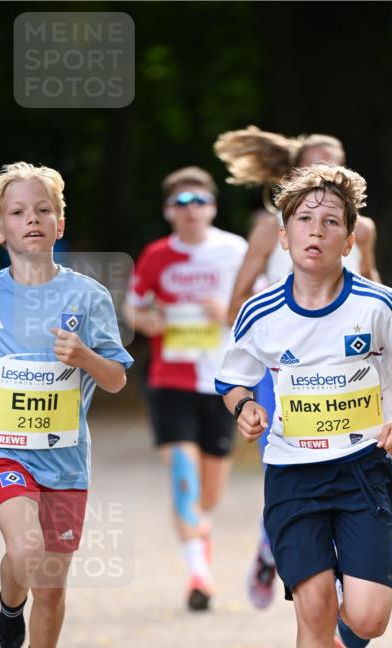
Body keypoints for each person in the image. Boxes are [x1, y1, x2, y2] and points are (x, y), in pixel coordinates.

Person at [215, 164, 392, 648]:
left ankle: (348, 628)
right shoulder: (261, 312)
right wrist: (245, 407)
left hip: (363, 470)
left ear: (350, 238)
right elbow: (231, 378)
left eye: (331, 222)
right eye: (304, 220)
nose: (316, 231)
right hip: (292, 475)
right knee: (312, 604)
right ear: (284, 235)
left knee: (367, 618)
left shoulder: (379, 306)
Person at [0, 162, 133, 648]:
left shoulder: (87, 296)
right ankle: (6, 622)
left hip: (65, 463)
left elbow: (117, 379)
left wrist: (85, 356)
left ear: (60, 222)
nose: (32, 220)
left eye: (43, 210)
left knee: (50, 585)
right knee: (26, 550)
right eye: (18, 212)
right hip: (1, 452)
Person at [214, 127, 380, 608]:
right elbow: (235, 304)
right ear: (293, 175)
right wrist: (277, 326)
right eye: (313, 165)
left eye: (334, 164)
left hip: (347, 367)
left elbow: (377, 290)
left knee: (351, 466)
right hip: (285, 372)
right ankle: (276, 548)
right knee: (293, 464)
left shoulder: (363, 230)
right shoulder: (273, 229)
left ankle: (349, 571)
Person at [123, 167, 247, 611]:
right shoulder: (156, 255)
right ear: (168, 211)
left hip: (225, 383)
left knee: (209, 493)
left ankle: (200, 533)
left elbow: (267, 303)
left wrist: (228, 310)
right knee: (184, 476)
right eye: (181, 203)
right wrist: (147, 322)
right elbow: (133, 308)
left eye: (199, 201)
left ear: (212, 207)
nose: (191, 210)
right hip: (170, 381)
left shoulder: (236, 250)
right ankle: (199, 575)